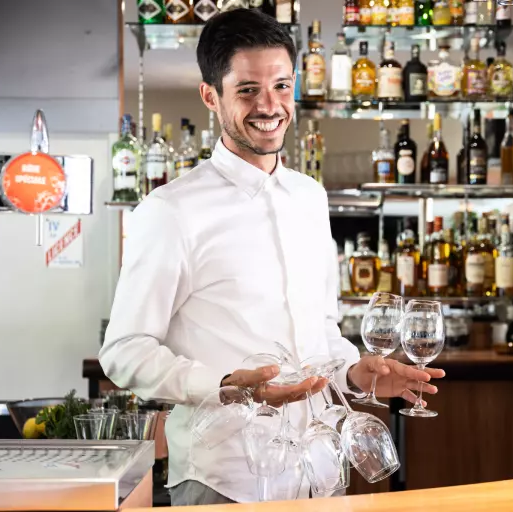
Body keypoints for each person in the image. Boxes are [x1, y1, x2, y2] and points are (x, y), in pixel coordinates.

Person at [99, 8, 444, 506]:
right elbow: (124, 349)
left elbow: (321, 330)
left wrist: (355, 373)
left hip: (321, 470)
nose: (269, 105)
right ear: (210, 96)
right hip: (225, 480)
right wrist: (225, 385)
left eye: (281, 86)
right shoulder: (170, 210)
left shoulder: (310, 197)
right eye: (247, 90)